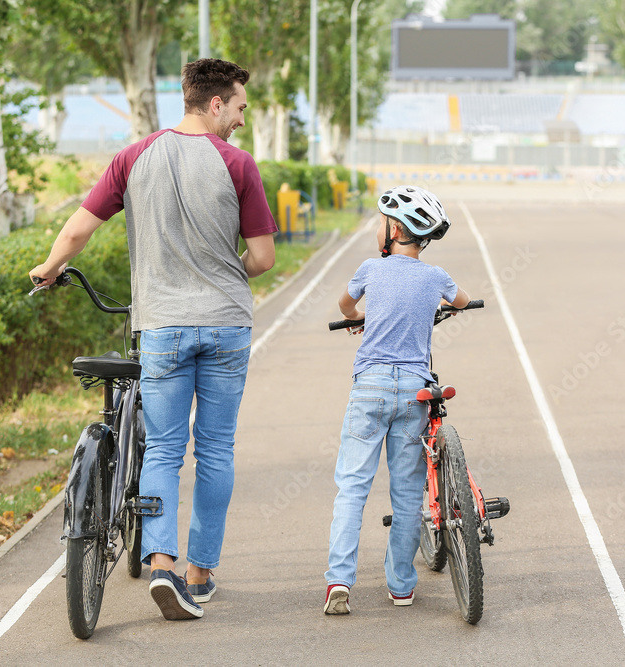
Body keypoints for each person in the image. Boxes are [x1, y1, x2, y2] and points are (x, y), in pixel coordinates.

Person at [29, 58, 277, 621]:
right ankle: (199, 574)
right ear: (216, 103)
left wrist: (48, 269)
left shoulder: (133, 157)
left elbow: (78, 229)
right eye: (239, 107)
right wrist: (227, 268)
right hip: (225, 324)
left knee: (163, 448)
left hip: (161, 324)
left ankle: (161, 564)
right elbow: (262, 258)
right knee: (214, 450)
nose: (241, 119)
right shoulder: (238, 164)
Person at [324, 185, 470, 615]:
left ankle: (339, 582)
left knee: (352, 487)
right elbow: (460, 302)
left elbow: (345, 305)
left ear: (395, 229)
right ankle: (401, 586)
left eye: (381, 222)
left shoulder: (371, 268)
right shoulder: (435, 275)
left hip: (369, 386)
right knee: (407, 495)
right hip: (413, 391)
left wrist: (360, 320)